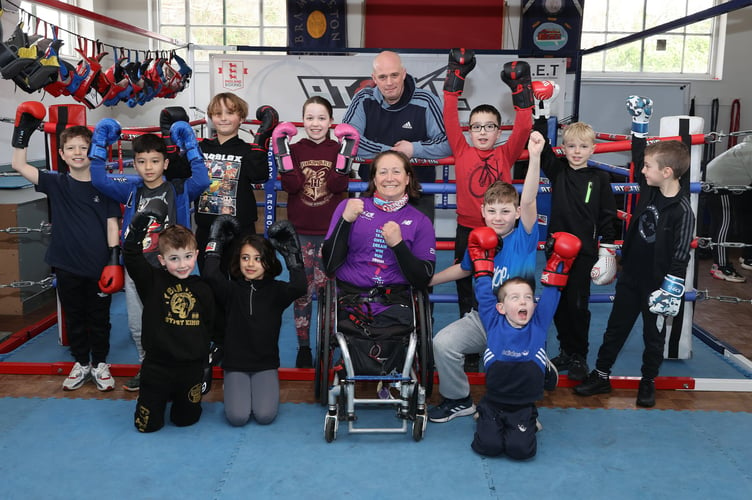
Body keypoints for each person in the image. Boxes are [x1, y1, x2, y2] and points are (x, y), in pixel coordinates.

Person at [574, 98, 695, 408]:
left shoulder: (682, 211)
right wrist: (641, 124)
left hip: (657, 283)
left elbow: (681, 253)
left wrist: (672, 287)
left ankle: (648, 381)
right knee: (616, 327)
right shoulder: (651, 190)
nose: (642, 170)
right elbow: (641, 153)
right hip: (631, 277)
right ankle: (601, 375)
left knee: (653, 337)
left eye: (648, 168)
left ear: (666, 172)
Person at [428, 130, 544, 423]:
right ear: (482, 212)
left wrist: (535, 155)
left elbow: (529, 201)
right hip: (485, 317)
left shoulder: (524, 238)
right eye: (492, 211)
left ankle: (522, 408)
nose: (499, 217)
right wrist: (429, 280)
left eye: (506, 211)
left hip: (519, 323)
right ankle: (458, 400)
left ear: (516, 213)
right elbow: (465, 268)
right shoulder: (480, 240)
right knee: (443, 343)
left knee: (513, 361)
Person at [90, 119, 210, 391]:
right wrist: (99, 143)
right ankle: (148, 367)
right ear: (136, 164)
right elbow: (98, 178)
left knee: (176, 320)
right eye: (142, 162)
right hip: (138, 270)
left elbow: (202, 180)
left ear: (165, 164)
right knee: (138, 324)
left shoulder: (178, 190)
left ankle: (182, 368)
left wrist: (190, 145)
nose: (148, 168)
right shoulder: (132, 189)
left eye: (155, 161)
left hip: (171, 268)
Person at [10, 102, 122, 392]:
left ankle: (100, 363)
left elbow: (113, 224)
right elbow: (19, 165)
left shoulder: (105, 185)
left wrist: (114, 259)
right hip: (67, 262)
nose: (77, 153)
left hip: (99, 265)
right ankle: (81, 362)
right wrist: (23, 133)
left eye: (83, 147)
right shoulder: (55, 182)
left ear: (94, 151)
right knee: (74, 316)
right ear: (61, 154)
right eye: (70, 148)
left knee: (100, 318)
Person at [469, 228, 581, 459]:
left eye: (528, 298)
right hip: (494, 401)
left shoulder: (538, 323)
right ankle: (484, 411)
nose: (523, 302)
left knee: (520, 451)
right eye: (515, 297)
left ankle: (531, 415)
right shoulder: (493, 320)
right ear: (501, 307)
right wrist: (482, 262)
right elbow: (483, 291)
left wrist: (558, 262)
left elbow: (552, 290)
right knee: (488, 447)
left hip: (522, 406)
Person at [442, 48, 534, 317]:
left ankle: (500, 332)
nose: (482, 132)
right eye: (477, 126)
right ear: (468, 131)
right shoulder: (461, 149)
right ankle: (469, 343)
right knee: (464, 285)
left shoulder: (506, 152)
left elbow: (524, 127)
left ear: (498, 130)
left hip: (502, 231)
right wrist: (454, 79)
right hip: (467, 229)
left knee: (502, 284)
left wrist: (521, 90)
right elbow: (449, 117)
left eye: (489, 126)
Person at [272, 96, 358, 368]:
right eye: (310, 117)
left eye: (322, 118)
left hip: (332, 234)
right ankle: (304, 347)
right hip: (301, 234)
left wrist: (346, 153)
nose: (315, 123)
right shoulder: (295, 149)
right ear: (302, 120)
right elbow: (293, 185)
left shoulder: (338, 147)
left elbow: (336, 184)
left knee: (331, 293)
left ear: (331, 121)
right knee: (302, 292)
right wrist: (283, 150)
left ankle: (329, 345)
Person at [533, 113, 619, 382]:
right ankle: (566, 351)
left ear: (593, 148)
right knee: (557, 303)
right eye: (571, 146)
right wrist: (540, 112)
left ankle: (580, 354)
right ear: (564, 148)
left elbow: (607, 214)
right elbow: (540, 145)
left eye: (583, 146)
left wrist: (608, 250)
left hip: (584, 254)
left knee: (578, 305)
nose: (577, 152)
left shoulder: (600, 178)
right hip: (556, 250)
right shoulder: (558, 171)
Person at [202, 216, 306, 426]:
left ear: (268, 261)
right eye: (245, 258)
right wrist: (216, 243)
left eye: (258, 259)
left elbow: (300, 287)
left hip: (264, 364)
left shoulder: (276, 291)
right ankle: (232, 387)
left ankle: (252, 389)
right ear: (238, 260)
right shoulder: (231, 290)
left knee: (265, 416)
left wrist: (293, 257)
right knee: (237, 418)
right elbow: (211, 274)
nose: (250, 264)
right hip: (235, 364)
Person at [322, 150, 436, 332]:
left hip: (395, 306)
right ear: (374, 179)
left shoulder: (420, 221)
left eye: (396, 172)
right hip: (350, 303)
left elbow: (423, 279)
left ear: (407, 179)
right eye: (382, 172)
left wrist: (398, 245)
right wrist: (345, 222)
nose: (389, 178)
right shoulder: (349, 208)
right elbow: (329, 265)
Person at [123, 217, 215, 433]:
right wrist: (136, 232)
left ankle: (179, 398)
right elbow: (132, 259)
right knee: (146, 426)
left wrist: (207, 356)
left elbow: (210, 324)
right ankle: (158, 397)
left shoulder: (203, 288)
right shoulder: (152, 281)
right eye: (174, 258)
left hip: (190, 366)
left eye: (188, 257)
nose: (182, 265)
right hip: (157, 366)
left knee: (186, 420)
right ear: (162, 260)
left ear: (196, 255)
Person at [342, 50, 452, 221]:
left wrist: (413, 149)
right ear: (374, 78)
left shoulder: (426, 100)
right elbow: (349, 140)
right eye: (383, 77)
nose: (389, 82)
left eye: (394, 75)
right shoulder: (363, 99)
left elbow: (447, 142)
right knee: (369, 246)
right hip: (374, 191)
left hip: (417, 193)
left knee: (417, 247)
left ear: (403, 73)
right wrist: (393, 154)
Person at [195, 93, 279, 268]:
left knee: (240, 281)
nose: (224, 118)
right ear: (211, 118)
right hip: (207, 228)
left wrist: (261, 138)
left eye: (230, 113)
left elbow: (259, 175)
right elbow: (177, 173)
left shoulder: (248, 150)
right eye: (218, 114)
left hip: (240, 230)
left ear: (241, 118)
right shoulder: (200, 148)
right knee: (209, 280)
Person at [704, 135, 752, 282]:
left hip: (730, 183)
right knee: (724, 223)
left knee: (742, 217)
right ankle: (721, 267)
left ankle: (747, 256)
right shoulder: (749, 149)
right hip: (720, 183)